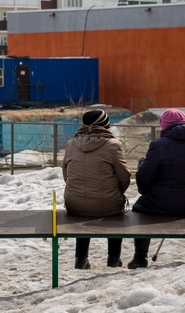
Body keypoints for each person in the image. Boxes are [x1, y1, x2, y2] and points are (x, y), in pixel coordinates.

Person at [128, 108, 185, 269]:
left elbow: (143, 181)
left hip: (166, 204)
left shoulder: (158, 145)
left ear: (164, 126)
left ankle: (140, 257)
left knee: (140, 208)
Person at [62, 109, 131, 269]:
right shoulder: (113, 145)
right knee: (113, 211)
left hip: (75, 203)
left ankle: (80, 259)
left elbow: (66, 174)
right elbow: (124, 176)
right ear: (106, 125)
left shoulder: (71, 144)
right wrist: (117, 192)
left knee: (83, 210)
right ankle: (114, 258)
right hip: (107, 204)